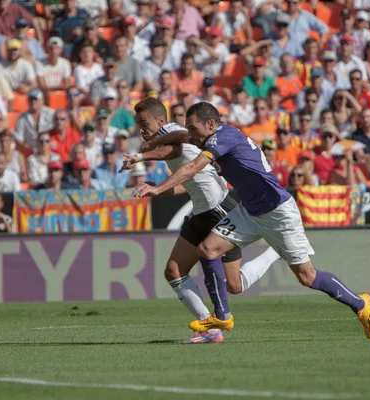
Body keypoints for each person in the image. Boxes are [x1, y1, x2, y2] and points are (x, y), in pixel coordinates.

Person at [132, 101, 370, 338]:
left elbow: (193, 165)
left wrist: (156, 185)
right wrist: (150, 149)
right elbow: (183, 141)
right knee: (207, 249)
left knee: (307, 277)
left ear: (210, 124)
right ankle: (222, 316)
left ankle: (360, 303)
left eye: (194, 129)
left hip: (278, 213)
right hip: (248, 210)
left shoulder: (223, 138)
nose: (191, 135)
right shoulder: (212, 137)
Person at [120, 98, 280, 343]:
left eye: (145, 123)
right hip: (205, 210)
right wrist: (159, 188)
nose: (141, 129)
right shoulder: (175, 138)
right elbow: (185, 185)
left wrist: (141, 156)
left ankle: (214, 324)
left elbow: (172, 148)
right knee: (184, 273)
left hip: (218, 209)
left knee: (219, 280)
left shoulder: (172, 131)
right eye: (138, 124)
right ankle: (211, 326)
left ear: (161, 121)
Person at [14, 88, 55, 152]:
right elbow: (19, 137)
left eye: (35, 99)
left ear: (42, 100)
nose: (33, 101)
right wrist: (29, 149)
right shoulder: (22, 118)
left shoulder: (51, 114)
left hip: (50, 148)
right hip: (30, 150)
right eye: (31, 99)